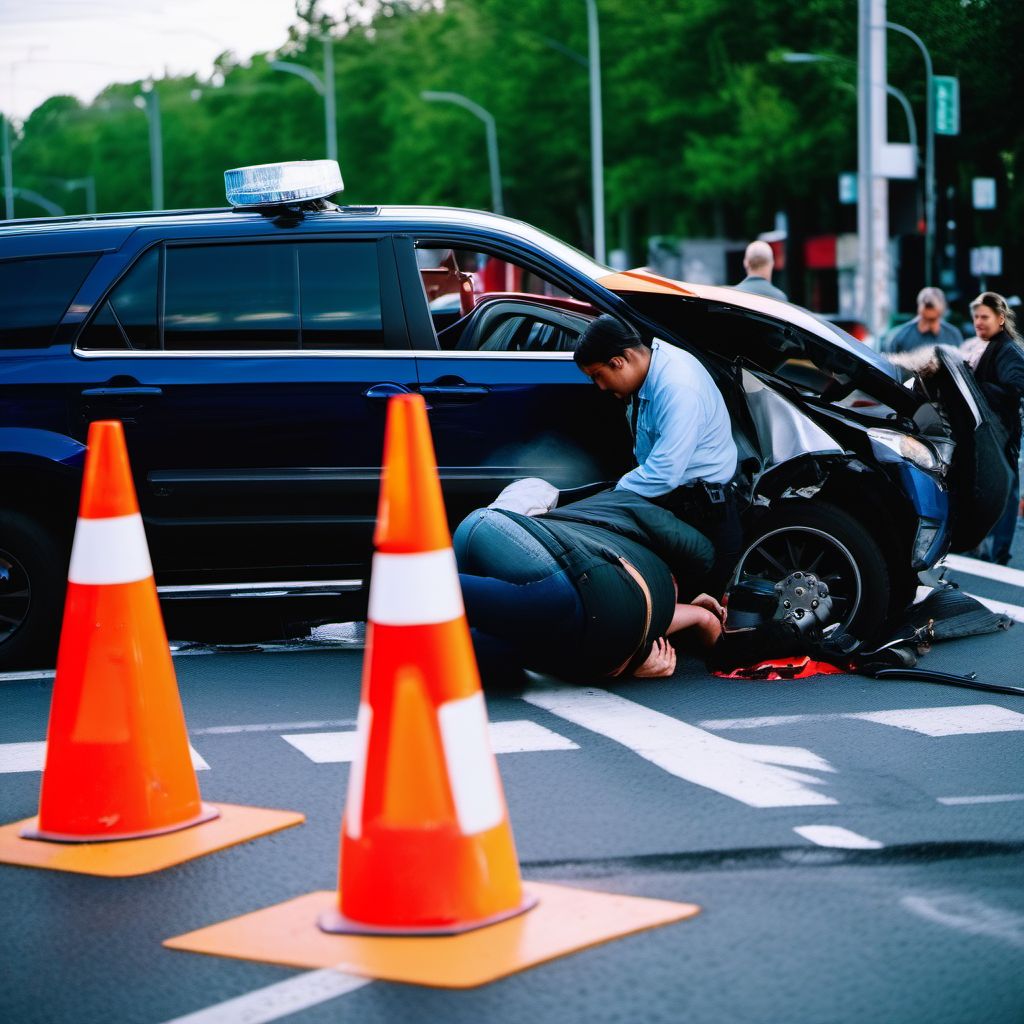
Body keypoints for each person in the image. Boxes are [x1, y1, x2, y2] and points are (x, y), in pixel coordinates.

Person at [454, 488, 725, 685]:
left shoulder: (650, 594)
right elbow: (701, 560)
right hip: (573, 588)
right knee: (532, 617)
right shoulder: (621, 517)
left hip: (574, 597)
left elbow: (702, 618)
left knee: (489, 649)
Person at [573, 315, 740, 594]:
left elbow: (664, 472)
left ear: (620, 361)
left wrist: (613, 499)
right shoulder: (650, 370)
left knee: (694, 606)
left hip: (705, 516)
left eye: (598, 376)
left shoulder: (676, 387)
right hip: (679, 502)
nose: (600, 387)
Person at [969, 292, 1024, 564]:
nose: (978, 322)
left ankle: (999, 552)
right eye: (976, 317)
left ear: (1001, 319)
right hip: (993, 431)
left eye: (984, 317)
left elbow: (1015, 388)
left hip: (1004, 432)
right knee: (996, 488)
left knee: (1006, 490)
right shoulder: (993, 346)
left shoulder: (1008, 350)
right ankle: (990, 549)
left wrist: (976, 386)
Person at [888, 287, 962, 354]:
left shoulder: (953, 335)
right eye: (924, 318)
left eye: (932, 319)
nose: (928, 324)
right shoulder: (901, 337)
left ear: (941, 314)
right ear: (919, 312)